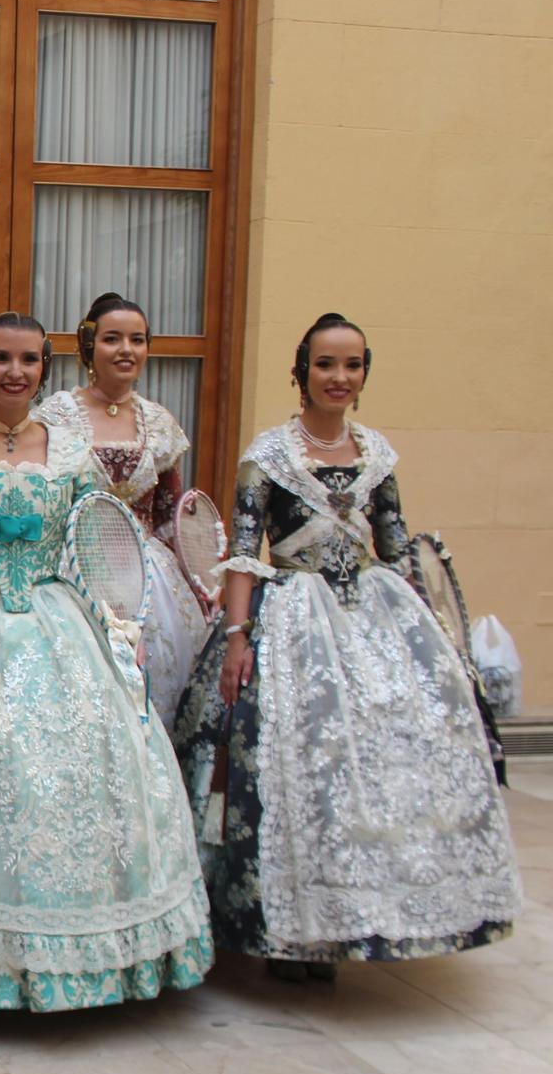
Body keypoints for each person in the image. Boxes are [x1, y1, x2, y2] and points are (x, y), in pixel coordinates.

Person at [0, 312, 211, 1010]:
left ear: (45, 366)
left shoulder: (71, 453)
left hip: (58, 623)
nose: (15, 371)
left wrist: (123, 625)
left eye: (28, 359)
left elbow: (98, 543)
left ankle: (76, 944)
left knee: (75, 773)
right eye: (1, 358)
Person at [173, 313, 519, 981]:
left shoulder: (378, 455)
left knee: (386, 766)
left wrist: (431, 643)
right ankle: (288, 929)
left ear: (364, 373)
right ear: (301, 371)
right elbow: (245, 552)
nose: (339, 377)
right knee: (296, 764)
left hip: (372, 616)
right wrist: (238, 636)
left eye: (352, 364)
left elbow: (395, 545)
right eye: (326, 364)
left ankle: (359, 919)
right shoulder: (268, 456)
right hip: (293, 618)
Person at [34, 292, 207, 716]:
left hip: (150, 574)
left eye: (137, 339)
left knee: (157, 688)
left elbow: (169, 513)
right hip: (75, 566)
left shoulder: (160, 422)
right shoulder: (56, 416)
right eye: (113, 338)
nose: (126, 350)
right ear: (89, 344)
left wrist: (198, 583)